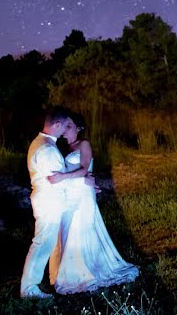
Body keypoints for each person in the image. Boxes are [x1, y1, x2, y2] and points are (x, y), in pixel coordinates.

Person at [47, 112, 139, 294]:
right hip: (71, 196)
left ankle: (86, 271)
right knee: (68, 232)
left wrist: (63, 177)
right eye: (64, 126)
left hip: (83, 196)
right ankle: (68, 270)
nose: (65, 130)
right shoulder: (67, 148)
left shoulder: (84, 144)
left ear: (79, 128)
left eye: (69, 126)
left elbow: (83, 169)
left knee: (81, 231)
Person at [20, 108, 75, 299]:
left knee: (46, 242)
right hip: (48, 202)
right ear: (57, 125)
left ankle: (42, 281)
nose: (65, 131)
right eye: (64, 126)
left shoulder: (41, 143)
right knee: (42, 243)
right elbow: (58, 180)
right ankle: (29, 288)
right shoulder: (46, 149)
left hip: (47, 200)